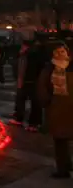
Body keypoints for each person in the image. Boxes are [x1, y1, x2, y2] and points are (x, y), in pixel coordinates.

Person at [37, 42, 73, 179]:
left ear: (67, 53)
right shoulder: (49, 68)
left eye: (62, 51)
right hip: (56, 107)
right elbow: (42, 86)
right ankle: (62, 169)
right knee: (59, 140)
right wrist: (46, 101)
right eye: (57, 52)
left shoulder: (71, 67)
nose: (60, 54)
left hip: (70, 106)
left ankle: (68, 163)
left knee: (67, 137)